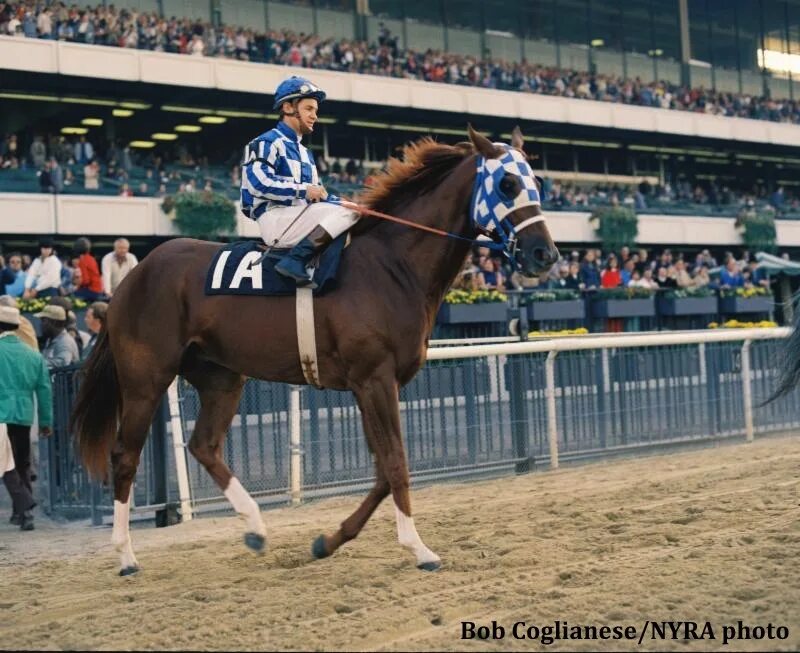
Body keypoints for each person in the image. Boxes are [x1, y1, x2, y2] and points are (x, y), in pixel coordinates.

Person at [240, 76, 358, 286]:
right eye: (309, 109)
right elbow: (258, 183)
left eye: (316, 111)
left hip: (298, 217)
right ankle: (295, 261)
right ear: (287, 107)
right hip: (275, 219)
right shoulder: (266, 142)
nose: (315, 116)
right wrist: (304, 190)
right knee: (348, 213)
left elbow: (317, 195)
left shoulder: (306, 153)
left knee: (352, 210)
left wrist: (343, 202)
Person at [0, 305, 53, 530]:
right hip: (24, 414)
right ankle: (24, 516)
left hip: (1, 414)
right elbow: (44, 390)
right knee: (22, 463)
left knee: (5, 464)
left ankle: (25, 505)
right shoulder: (33, 355)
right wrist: (45, 421)